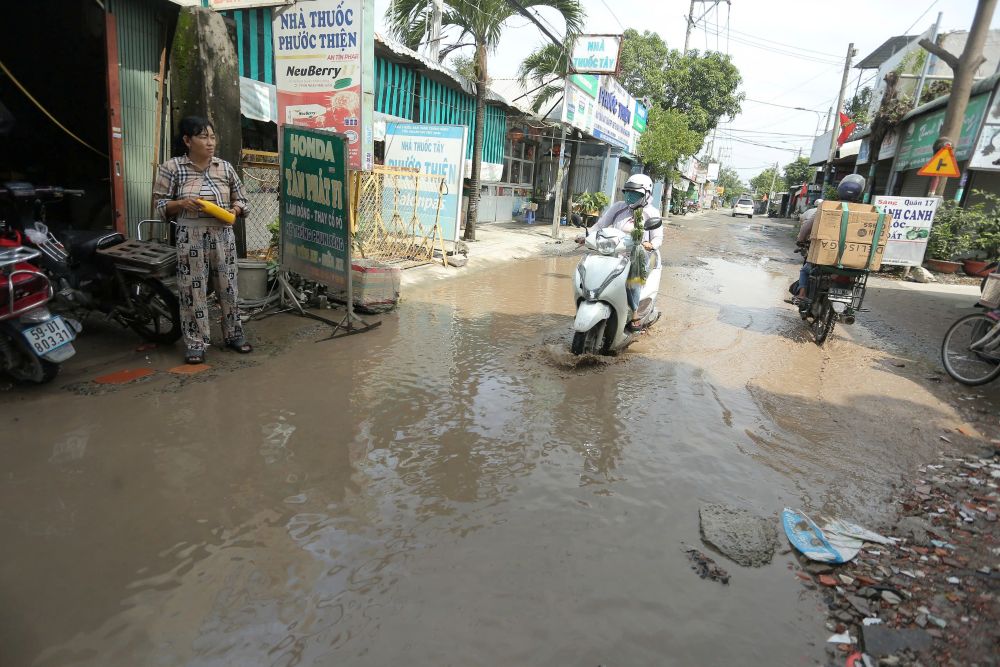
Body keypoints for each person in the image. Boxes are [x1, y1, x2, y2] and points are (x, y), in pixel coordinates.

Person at [153, 116, 251, 364]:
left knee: (228, 287)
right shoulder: (172, 167)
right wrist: (181, 203)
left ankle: (234, 335)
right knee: (192, 289)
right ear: (187, 140)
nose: (210, 143)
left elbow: (243, 200)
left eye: (212, 136)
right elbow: (159, 205)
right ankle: (196, 343)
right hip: (190, 235)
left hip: (222, 234)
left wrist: (234, 211)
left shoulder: (225, 167)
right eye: (203, 137)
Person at [576, 174, 663, 328]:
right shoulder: (618, 207)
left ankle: (635, 311)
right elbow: (600, 225)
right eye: (628, 192)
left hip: (639, 256)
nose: (630, 196)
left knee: (632, 277)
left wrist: (650, 244)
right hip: (614, 253)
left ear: (647, 194)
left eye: (635, 194)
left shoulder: (651, 212)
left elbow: (658, 238)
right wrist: (587, 236)